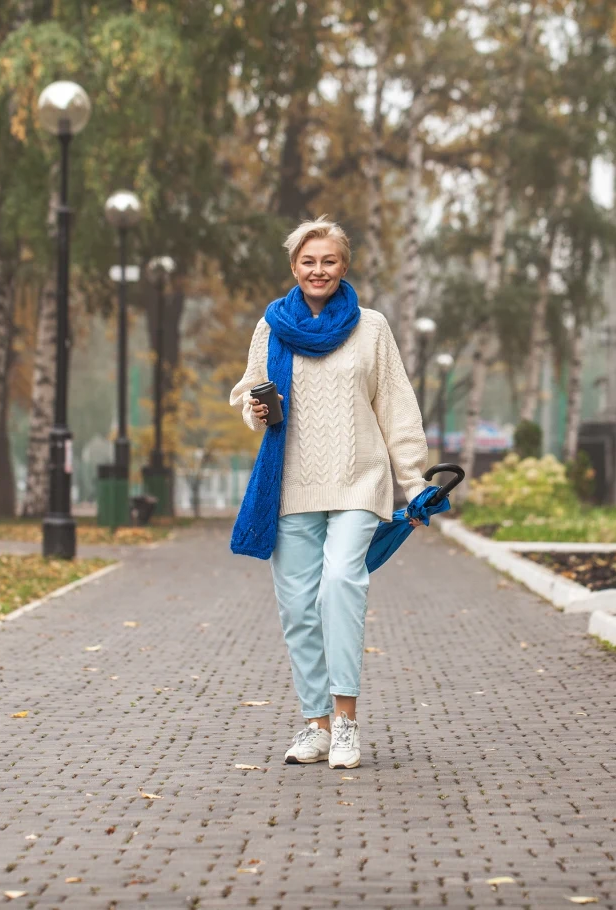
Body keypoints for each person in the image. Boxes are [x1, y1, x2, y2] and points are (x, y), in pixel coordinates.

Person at [229, 217, 429, 770]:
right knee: (297, 606)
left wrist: (415, 485)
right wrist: (258, 408)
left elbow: (397, 408)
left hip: (359, 479)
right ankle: (313, 723)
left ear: (345, 266)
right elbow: (250, 393)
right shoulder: (272, 327)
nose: (319, 270)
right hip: (290, 484)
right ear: (294, 267)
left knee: (341, 582)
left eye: (330, 261)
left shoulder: (372, 328)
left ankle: (345, 722)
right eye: (309, 261)